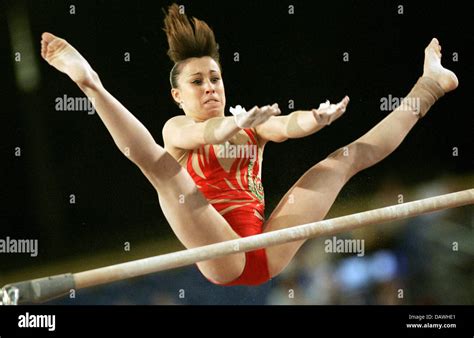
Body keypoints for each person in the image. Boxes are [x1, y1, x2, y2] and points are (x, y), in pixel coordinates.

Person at [40, 4, 458, 286]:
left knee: (341, 161)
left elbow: (287, 125)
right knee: (161, 169)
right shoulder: (175, 128)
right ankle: (90, 84)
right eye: (197, 82)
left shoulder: (252, 125)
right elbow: (204, 134)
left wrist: (315, 118)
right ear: (178, 96)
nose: (209, 88)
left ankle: (429, 87)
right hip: (223, 256)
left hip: (264, 250)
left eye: (215, 78)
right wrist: (230, 125)